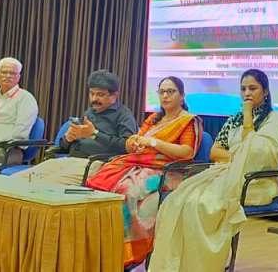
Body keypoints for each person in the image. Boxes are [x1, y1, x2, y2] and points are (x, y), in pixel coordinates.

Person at [148, 69, 278, 272]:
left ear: (265, 91)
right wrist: (238, 157)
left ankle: (204, 266)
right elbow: (215, 152)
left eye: (253, 88)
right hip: (225, 173)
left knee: (203, 205)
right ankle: (178, 265)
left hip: (256, 182)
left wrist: (247, 118)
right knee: (178, 201)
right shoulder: (234, 119)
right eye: (243, 89)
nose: (247, 93)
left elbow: (257, 155)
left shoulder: (275, 120)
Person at [85, 76, 201, 268]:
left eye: (170, 91)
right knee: (100, 182)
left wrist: (154, 143)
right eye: (162, 92)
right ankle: (102, 245)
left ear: (181, 96)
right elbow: (137, 139)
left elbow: (187, 153)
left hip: (168, 172)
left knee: (126, 191)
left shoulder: (187, 121)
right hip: (139, 163)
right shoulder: (154, 119)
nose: (165, 96)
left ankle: (126, 253)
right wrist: (134, 143)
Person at [12, 69, 137, 185]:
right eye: (92, 93)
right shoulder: (89, 113)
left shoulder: (124, 115)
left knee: (43, 185)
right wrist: (68, 138)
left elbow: (128, 147)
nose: (94, 99)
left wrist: (95, 134)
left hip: (97, 164)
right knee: (18, 180)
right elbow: (62, 147)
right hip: (70, 159)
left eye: (100, 94)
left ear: (114, 95)